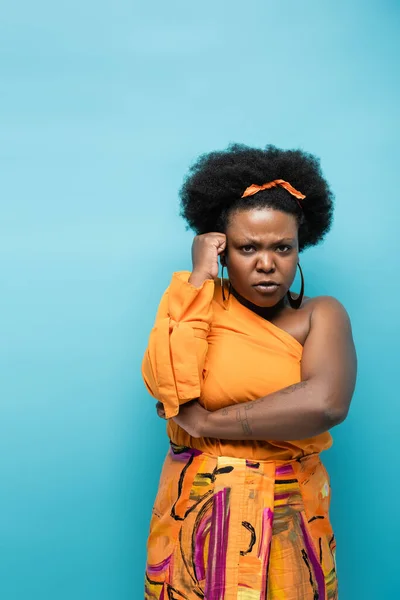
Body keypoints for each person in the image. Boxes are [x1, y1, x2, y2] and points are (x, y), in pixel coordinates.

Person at [141, 143, 357, 600]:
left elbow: (325, 402)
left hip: (291, 516)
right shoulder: (193, 303)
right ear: (222, 251)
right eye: (246, 247)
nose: (266, 263)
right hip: (195, 512)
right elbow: (171, 387)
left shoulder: (321, 315)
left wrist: (207, 423)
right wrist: (199, 277)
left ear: (300, 249)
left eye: (283, 247)